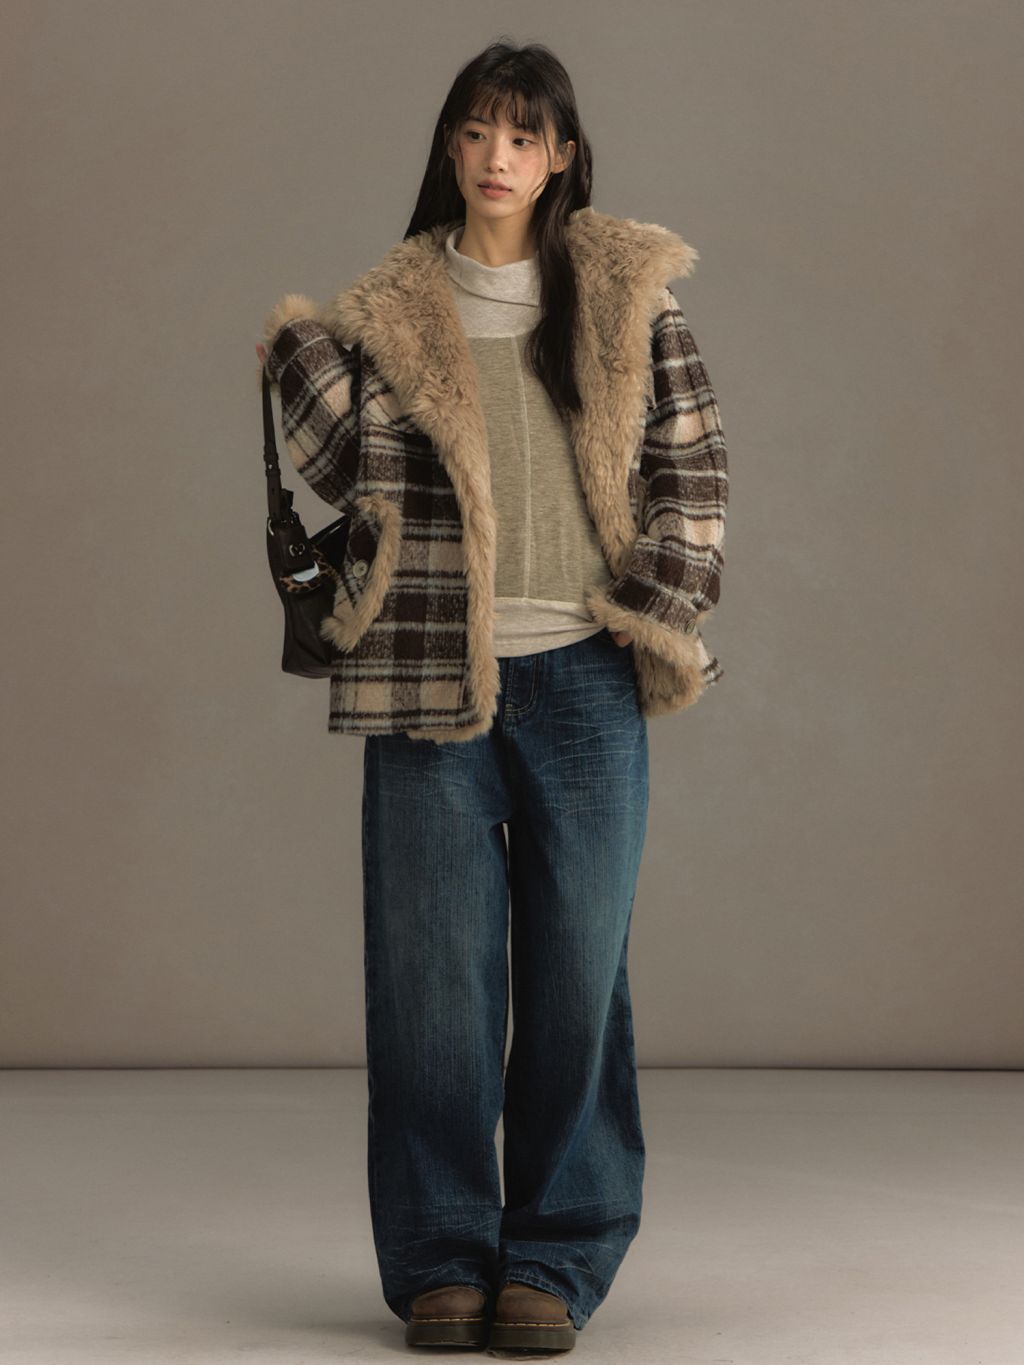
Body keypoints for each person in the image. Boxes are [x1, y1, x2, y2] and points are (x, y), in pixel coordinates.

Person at [257, 38, 728, 1355]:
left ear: (563, 154)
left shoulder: (626, 296)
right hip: (428, 675)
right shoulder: (393, 309)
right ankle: (442, 1257)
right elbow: (344, 477)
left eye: (524, 135)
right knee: (431, 987)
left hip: (586, 679)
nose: (497, 157)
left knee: (579, 978)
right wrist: (292, 354)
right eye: (477, 131)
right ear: (451, 147)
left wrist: (657, 607)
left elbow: (694, 471)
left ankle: (558, 1257)